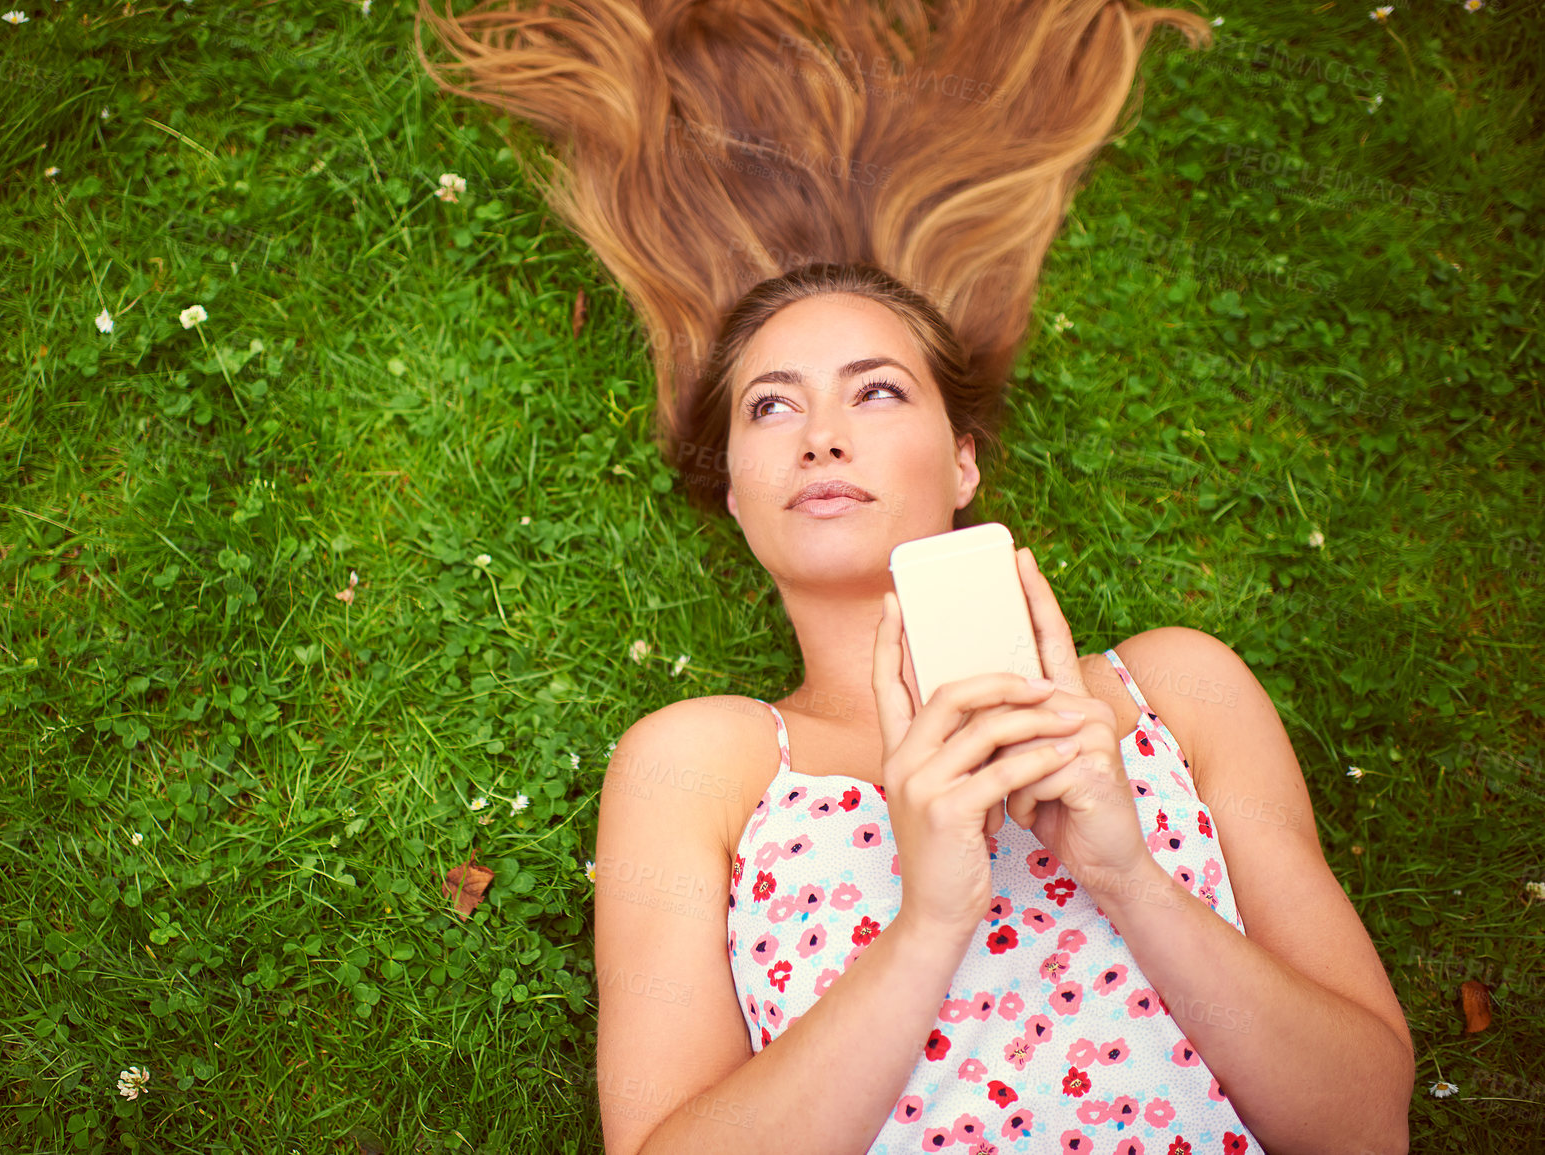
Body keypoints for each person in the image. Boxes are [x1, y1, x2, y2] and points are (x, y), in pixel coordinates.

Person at [414, 4, 1414, 1153]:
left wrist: (1127, 875)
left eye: (877, 391)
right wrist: (930, 919)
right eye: (771, 404)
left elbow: (1366, 1126)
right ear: (737, 494)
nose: (820, 435)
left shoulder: (1172, 695)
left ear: (963, 457)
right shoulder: (701, 766)